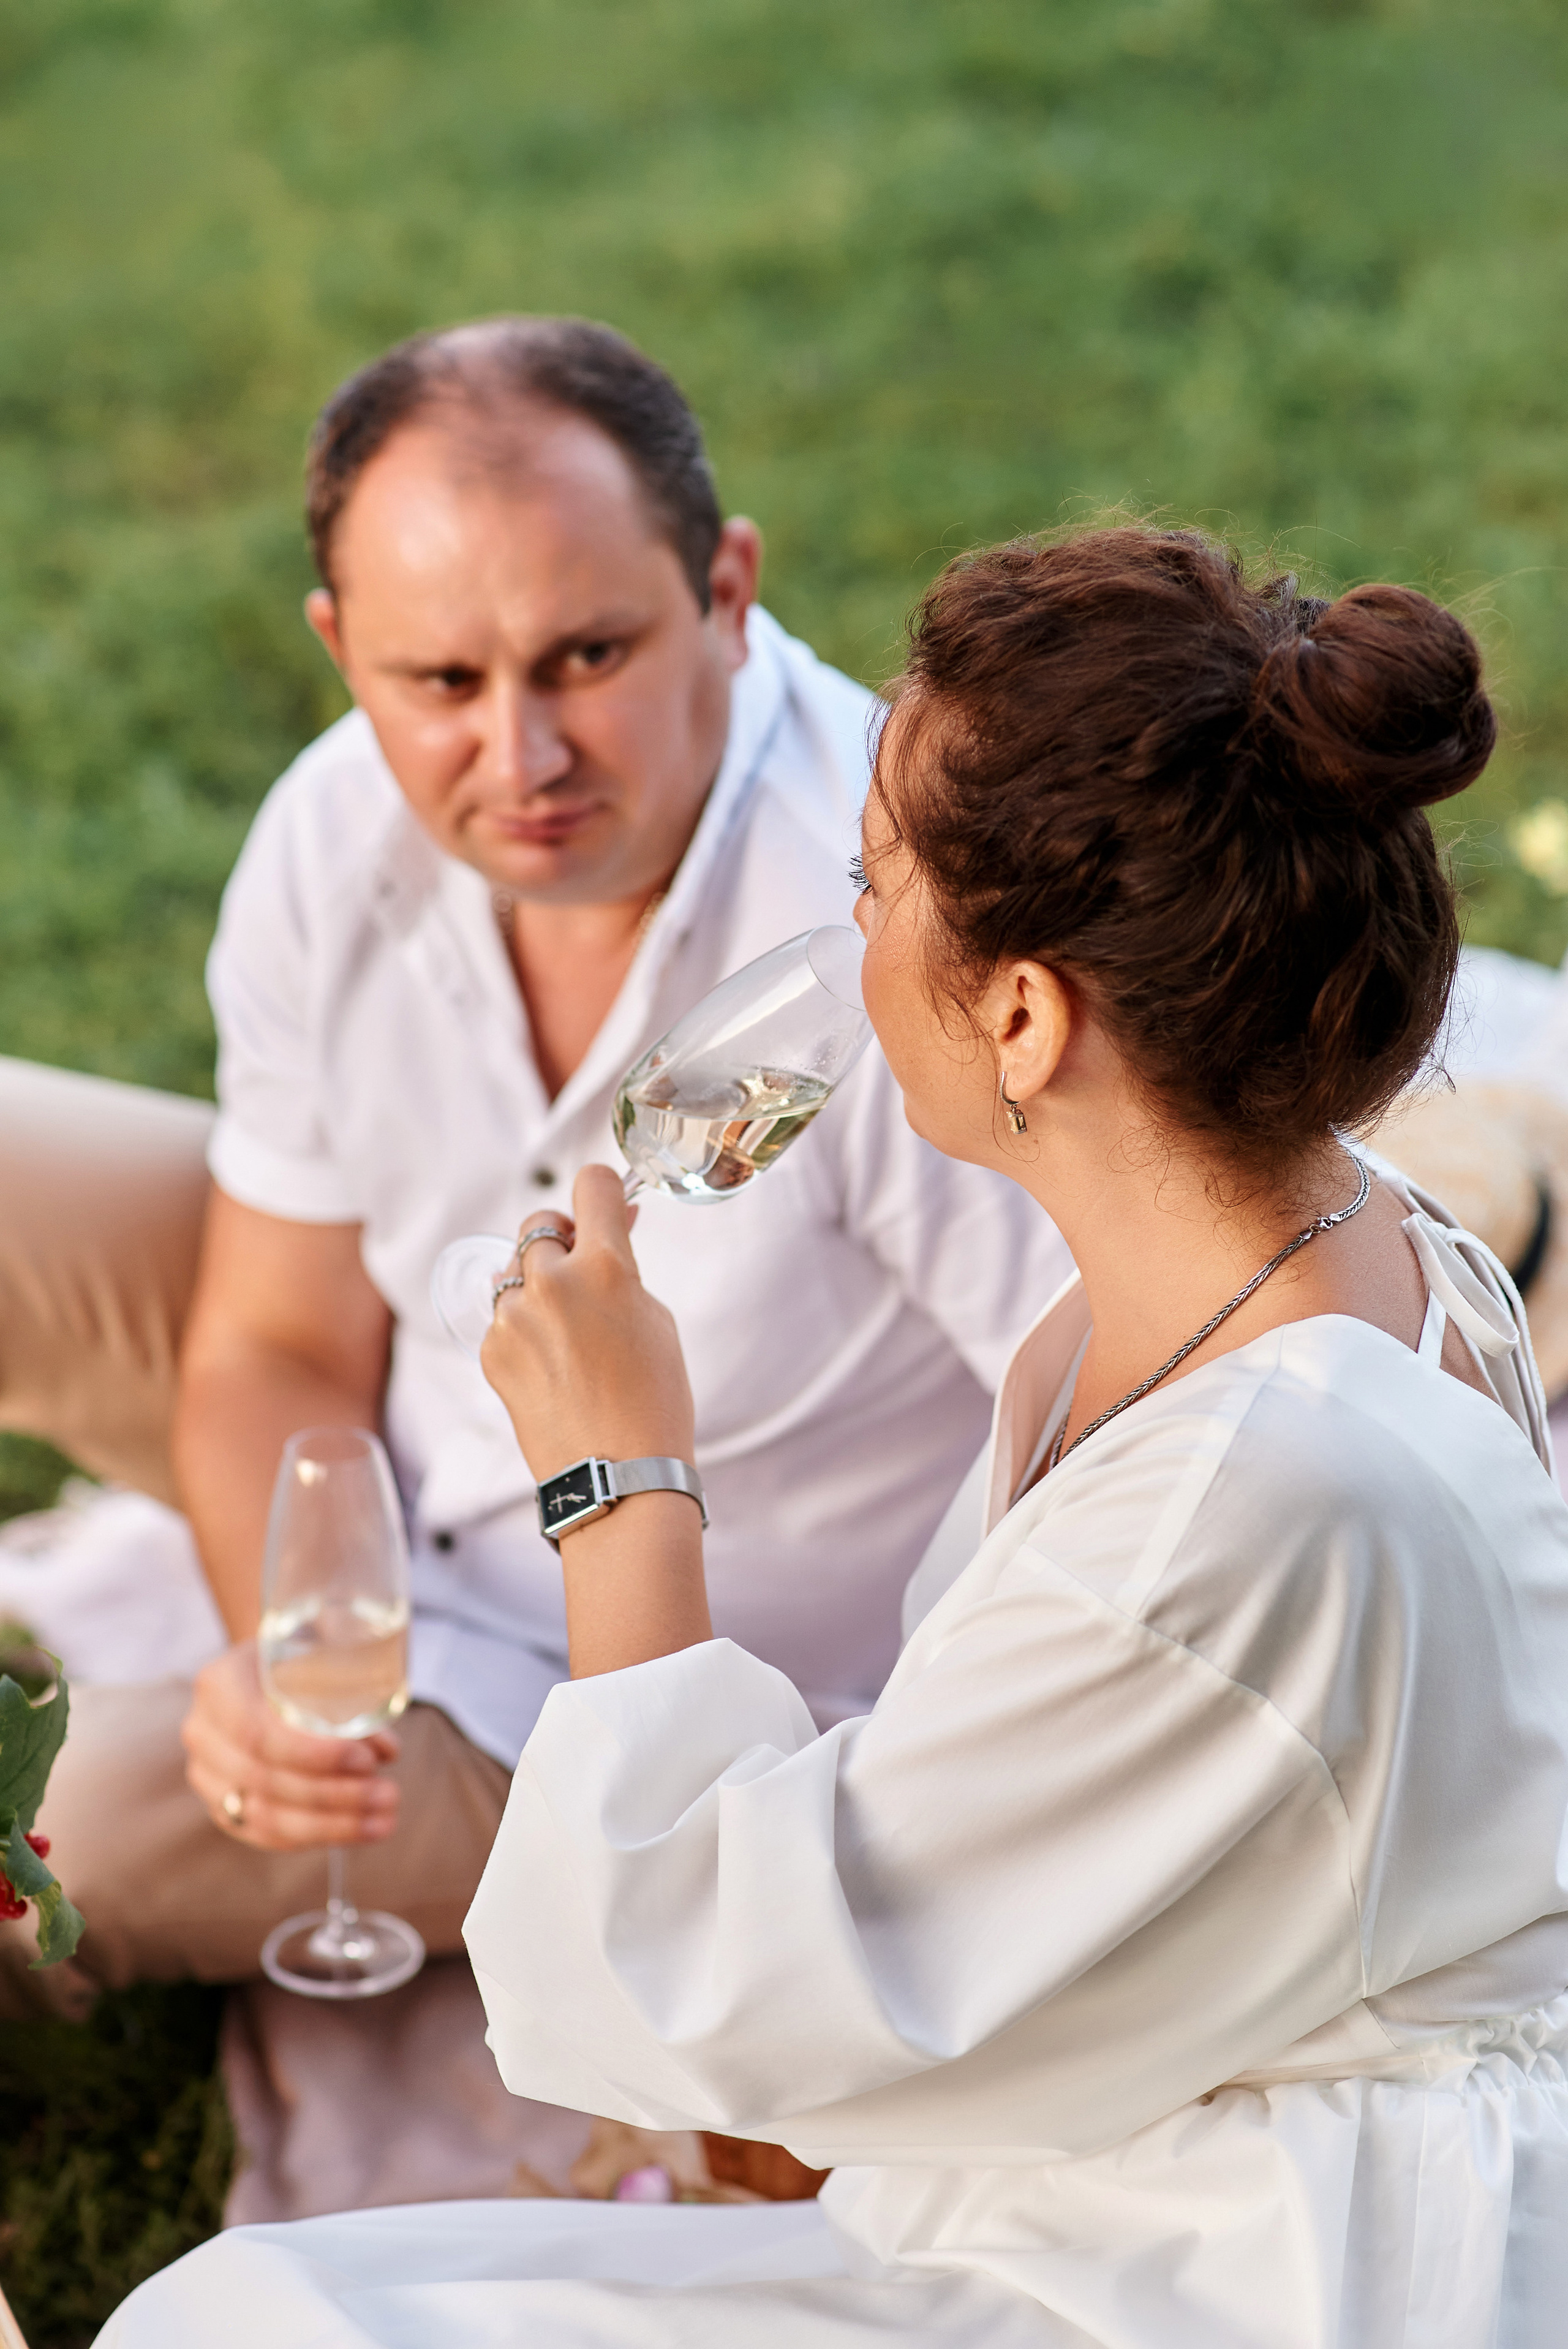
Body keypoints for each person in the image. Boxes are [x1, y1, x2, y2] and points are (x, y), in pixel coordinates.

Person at [104, 528, 1568, 2347]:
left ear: (1025, 1016)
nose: (846, 937)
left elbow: (718, 1991)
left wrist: (617, 1480)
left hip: (1231, 2262)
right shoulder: (1330, 1248)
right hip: (1142, 2125)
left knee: (241, 2328)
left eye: (874, 889)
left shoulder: (1248, 1501)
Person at [3, 318, 1069, 2020]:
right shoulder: (337, 827)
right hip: (381, 1475)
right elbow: (276, 1331)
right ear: (340, 644)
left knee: (53, 1846)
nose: (521, 760)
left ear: (726, 591)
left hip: (621, 1686)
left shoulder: (900, 930)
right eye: (439, 682)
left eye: (586, 655)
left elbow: (1111, 1458)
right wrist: (294, 1638)